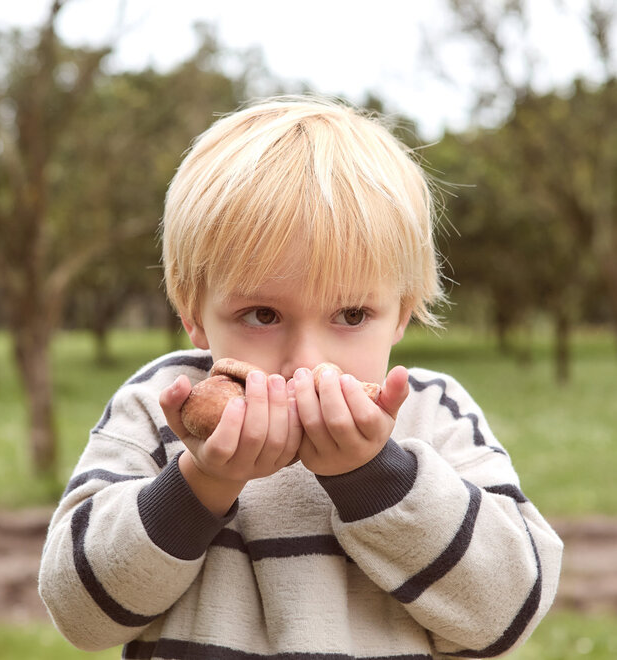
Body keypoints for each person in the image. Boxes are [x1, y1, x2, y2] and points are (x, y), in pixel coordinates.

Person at [39, 96, 563, 659]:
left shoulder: (431, 415)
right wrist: (200, 485)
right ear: (193, 313)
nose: (308, 363)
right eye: (263, 315)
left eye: (352, 315)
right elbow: (80, 616)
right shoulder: (161, 408)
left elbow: (507, 610)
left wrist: (377, 478)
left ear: (402, 313)